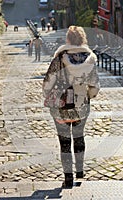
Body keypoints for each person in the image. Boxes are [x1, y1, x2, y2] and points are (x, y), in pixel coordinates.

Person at [42, 26, 100, 188]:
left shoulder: (60, 58)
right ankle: (80, 171)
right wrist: (89, 95)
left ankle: (68, 176)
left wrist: (48, 93)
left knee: (65, 140)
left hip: (61, 106)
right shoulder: (90, 58)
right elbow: (94, 85)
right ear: (83, 40)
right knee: (79, 136)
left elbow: (48, 82)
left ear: (68, 39)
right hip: (81, 104)